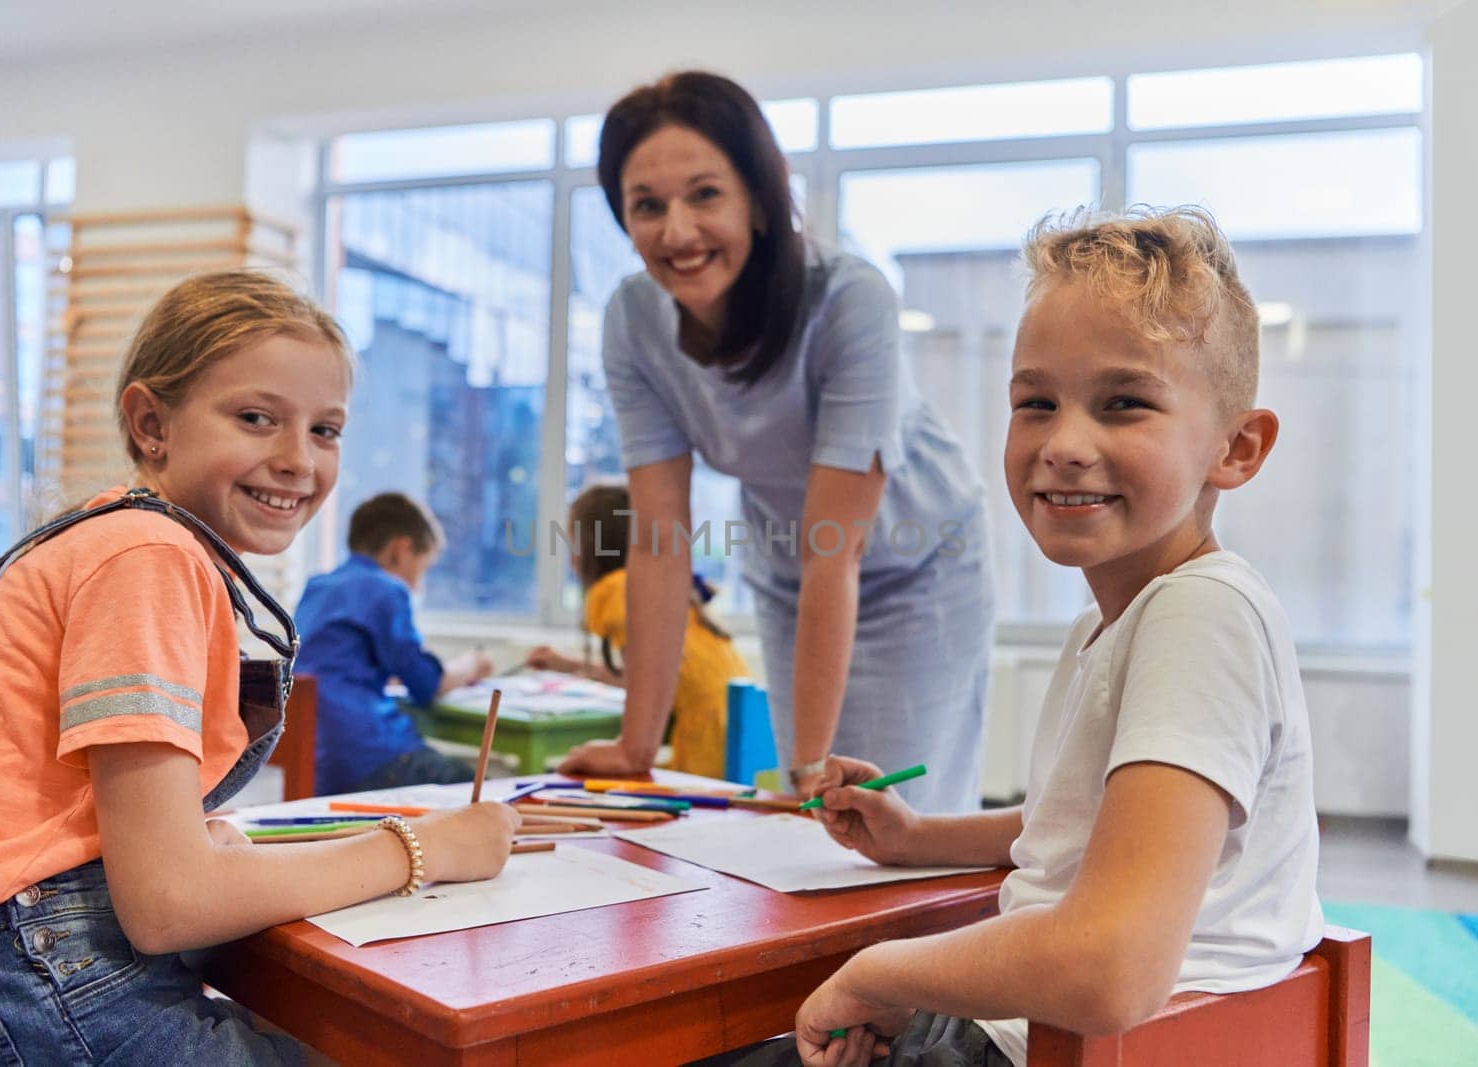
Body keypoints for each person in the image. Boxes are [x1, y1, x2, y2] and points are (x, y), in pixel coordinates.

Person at [727, 207, 1324, 1067]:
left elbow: (1110, 967)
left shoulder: (1202, 616)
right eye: (1035, 402)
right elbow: (1081, 825)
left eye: (1124, 404)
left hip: (1062, 1042)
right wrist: (916, 837)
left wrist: (883, 973)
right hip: (1029, 1030)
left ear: (1236, 447)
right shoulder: (1118, 620)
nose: (1064, 444)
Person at [0, 271, 520, 1064]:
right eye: (256, 418)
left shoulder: (127, 540)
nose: (296, 460)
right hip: (21, 966)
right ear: (152, 424)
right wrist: (424, 849)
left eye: (326, 429)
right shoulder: (148, 553)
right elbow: (169, 904)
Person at [557, 71, 997, 811]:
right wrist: (637, 747)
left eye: (705, 194)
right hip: (794, 569)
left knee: (895, 818)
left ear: (759, 200)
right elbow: (660, 541)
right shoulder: (633, 320)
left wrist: (809, 768)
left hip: (919, 565)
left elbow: (839, 546)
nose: (677, 232)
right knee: (819, 818)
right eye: (647, 206)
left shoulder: (849, 298)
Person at [526, 483, 749, 779]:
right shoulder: (666, 584)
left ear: (591, 545)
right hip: (740, 727)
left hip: (706, 737)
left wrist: (567, 665)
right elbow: (645, 675)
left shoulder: (619, 591)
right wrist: (566, 664)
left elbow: (638, 679)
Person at [296, 491, 493, 794]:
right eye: (421, 568)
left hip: (316, 758)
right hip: (370, 754)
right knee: (491, 791)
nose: (417, 584)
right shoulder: (386, 589)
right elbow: (427, 685)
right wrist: (473, 663)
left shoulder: (319, 586)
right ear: (401, 550)